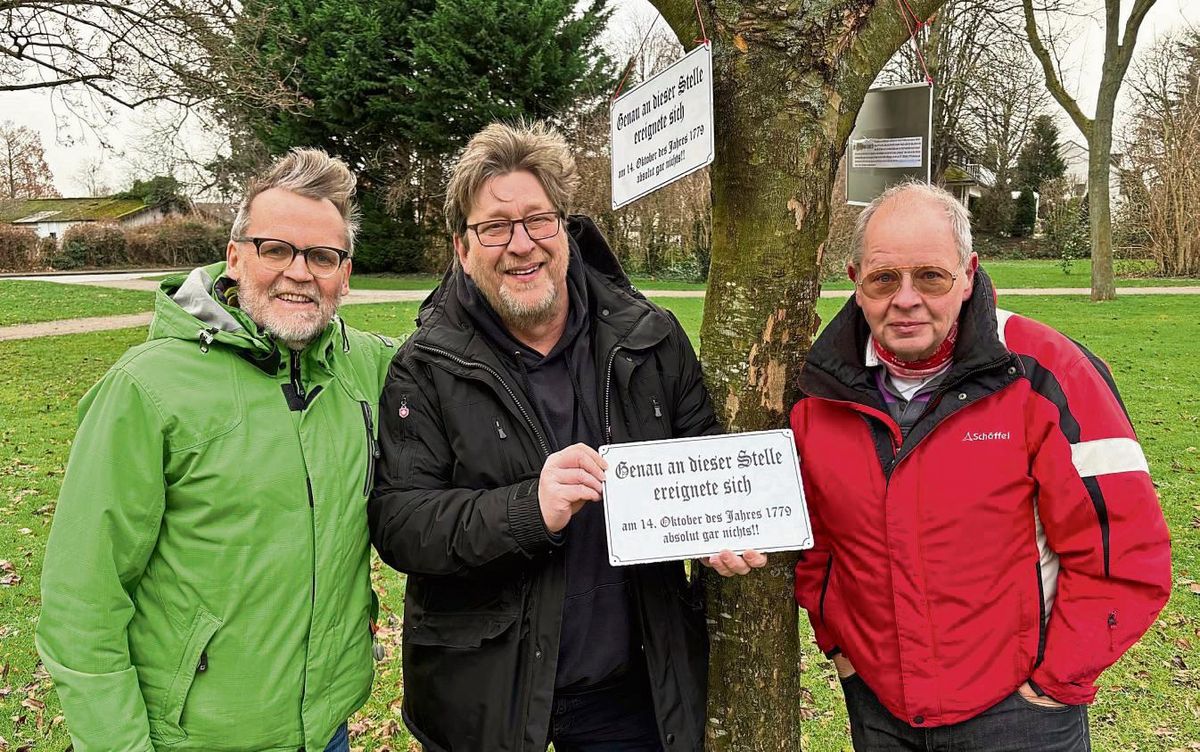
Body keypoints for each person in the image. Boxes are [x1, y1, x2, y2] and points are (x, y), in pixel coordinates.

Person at [369, 121, 765, 752]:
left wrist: (726, 525)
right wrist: (529, 508)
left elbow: (704, 458)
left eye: (538, 220)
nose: (521, 244)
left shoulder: (650, 338)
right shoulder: (427, 365)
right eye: (494, 227)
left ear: (565, 229)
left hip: (630, 696)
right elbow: (400, 522)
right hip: (485, 700)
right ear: (461, 249)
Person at [789, 181, 1171, 751]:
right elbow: (816, 547)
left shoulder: (1043, 372)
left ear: (968, 274)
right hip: (880, 709)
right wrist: (841, 651)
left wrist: (1055, 680)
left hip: (1018, 713)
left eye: (931, 276)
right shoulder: (818, 394)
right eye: (884, 278)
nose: (906, 298)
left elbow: (1123, 546)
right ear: (855, 280)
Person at [36, 148, 396, 752]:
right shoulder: (145, 390)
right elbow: (82, 600)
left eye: (322, 256)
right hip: (193, 737)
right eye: (275, 249)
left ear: (346, 273)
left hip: (326, 729)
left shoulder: (368, 369)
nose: (300, 272)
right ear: (235, 257)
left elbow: (464, 354)